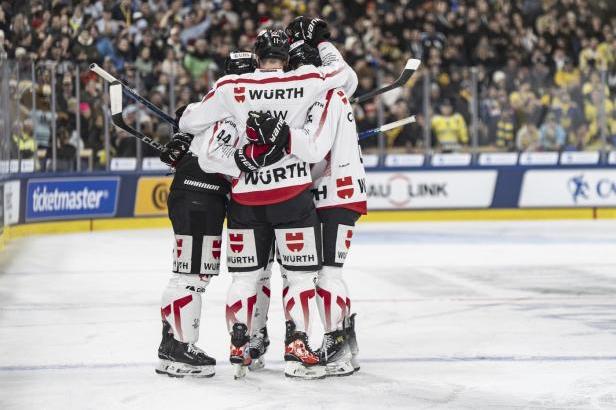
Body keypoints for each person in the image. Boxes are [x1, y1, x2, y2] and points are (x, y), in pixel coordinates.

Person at [184, 18, 357, 379]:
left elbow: (190, 123)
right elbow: (342, 74)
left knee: (246, 279)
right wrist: (320, 42)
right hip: (292, 195)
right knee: (299, 278)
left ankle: (240, 345)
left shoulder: (233, 85)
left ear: (257, 54)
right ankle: (296, 351)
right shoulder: (305, 80)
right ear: (286, 56)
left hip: (246, 197)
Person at [243, 40, 367, 377]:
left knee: (326, 274)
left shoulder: (325, 96)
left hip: (331, 195)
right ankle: (344, 343)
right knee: (325, 273)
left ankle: (337, 344)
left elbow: (313, 149)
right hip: (340, 193)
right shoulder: (335, 94)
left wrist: (282, 140)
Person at [155, 51, 281, 378]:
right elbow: (214, 157)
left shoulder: (210, 103)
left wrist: (183, 136)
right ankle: (177, 349)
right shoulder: (232, 109)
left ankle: (174, 343)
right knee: (192, 275)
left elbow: (189, 124)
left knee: (192, 272)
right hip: (200, 194)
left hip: (197, 194)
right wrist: (246, 165)